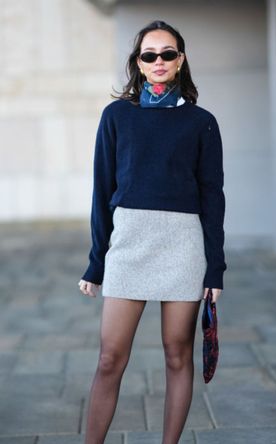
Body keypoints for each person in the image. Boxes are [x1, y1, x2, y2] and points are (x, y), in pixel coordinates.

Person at [78, 19, 227, 444]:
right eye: (149, 55)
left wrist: (214, 269)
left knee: (178, 355)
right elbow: (102, 189)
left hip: (183, 245)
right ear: (138, 63)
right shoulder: (116, 116)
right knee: (109, 357)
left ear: (180, 61)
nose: (158, 61)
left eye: (167, 54)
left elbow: (212, 197)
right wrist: (96, 262)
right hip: (128, 244)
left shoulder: (202, 122)